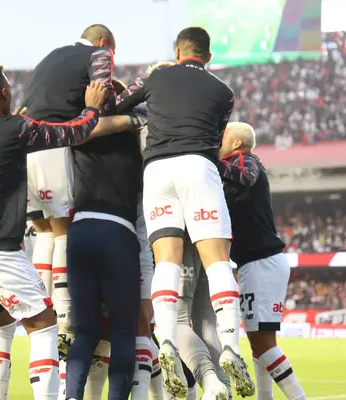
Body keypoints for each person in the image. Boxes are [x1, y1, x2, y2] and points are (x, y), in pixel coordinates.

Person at [0, 61, 109, 400]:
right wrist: (92, 106)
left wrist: (12, 120)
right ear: (4, 91)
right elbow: (74, 131)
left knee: (0, 325)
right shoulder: (15, 128)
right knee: (43, 324)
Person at [114, 27, 253, 397]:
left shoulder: (156, 77)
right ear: (208, 57)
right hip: (198, 167)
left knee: (167, 264)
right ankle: (230, 349)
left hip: (156, 171)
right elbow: (217, 137)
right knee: (217, 262)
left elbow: (121, 104)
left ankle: (168, 345)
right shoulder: (224, 92)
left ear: (177, 51)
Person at [22, 25, 122, 369]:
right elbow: (103, 88)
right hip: (54, 140)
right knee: (63, 227)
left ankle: (40, 306)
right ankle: (64, 317)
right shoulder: (98, 54)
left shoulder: (51, 56)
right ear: (105, 43)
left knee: (45, 230)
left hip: (26, 146)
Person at [65, 78, 145, 400]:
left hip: (80, 229)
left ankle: (71, 396)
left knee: (85, 330)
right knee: (124, 330)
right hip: (118, 231)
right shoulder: (135, 134)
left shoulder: (79, 132)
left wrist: (90, 108)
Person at [218, 122, 307, 400]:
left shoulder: (247, 159)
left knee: (263, 343)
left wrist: (207, 158)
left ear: (236, 143)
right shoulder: (231, 167)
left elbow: (245, 177)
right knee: (259, 345)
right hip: (255, 263)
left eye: (222, 137)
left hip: (262, 261)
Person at [175, 234, 232, 400]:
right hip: (214, 240)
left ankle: (212, 384)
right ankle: (225, 391)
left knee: (178, 321)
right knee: (207, 326)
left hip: (183, 237)